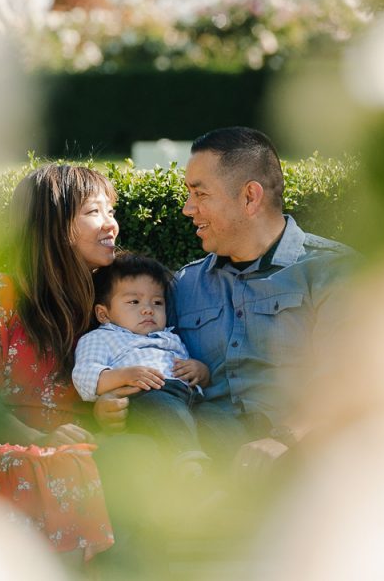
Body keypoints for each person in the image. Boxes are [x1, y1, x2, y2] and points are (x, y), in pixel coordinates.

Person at [95, 127, 358, 484]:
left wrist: (284, 439)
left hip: (300, 459)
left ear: (250, 197)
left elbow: (347, 378)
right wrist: (111, 404)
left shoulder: (331, 271)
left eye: (200, 194)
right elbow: (141, 354)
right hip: (202, 463)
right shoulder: (183, 285)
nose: (188, 209)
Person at [0, 163, 119, 563]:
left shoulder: (114, 302)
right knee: (49, 467)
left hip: (80, 453)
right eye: (94, 211)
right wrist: (38, 439)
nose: (111, 224)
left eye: (111, 211)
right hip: (2, 454)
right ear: (54, 226)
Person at [72, 252, 211, 478]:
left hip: (190, 400)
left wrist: (200, 371)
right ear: (103, 314)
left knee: (217, 419)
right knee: (165, 410)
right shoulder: (101, 337)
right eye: (134, 302)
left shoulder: (170, 337)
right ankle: (191, 466)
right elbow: (85, 377)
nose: (148, 309)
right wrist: (125, 376)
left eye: (157, 302)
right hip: (146, 398)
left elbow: (191, 372)